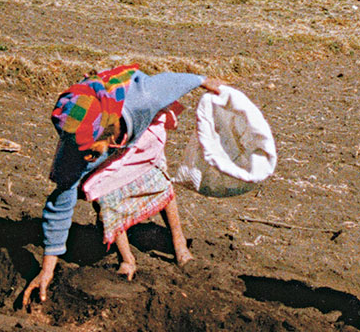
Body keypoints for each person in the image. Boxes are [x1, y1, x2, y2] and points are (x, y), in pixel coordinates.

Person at [20, 65, 223, 305]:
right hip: (115, 131)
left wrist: (206, 81)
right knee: (100, 187)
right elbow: (60, 204)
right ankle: (127, 259)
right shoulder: (77, 151)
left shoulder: (143, 98)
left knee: (156, 176)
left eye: (97, 145)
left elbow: (172, 81)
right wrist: (47, 270)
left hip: (138, 124)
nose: (93, 154)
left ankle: (180, 247)